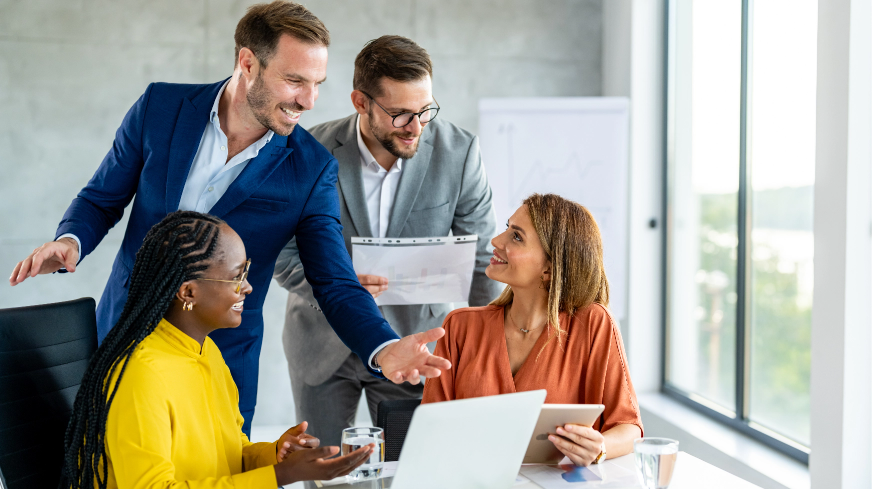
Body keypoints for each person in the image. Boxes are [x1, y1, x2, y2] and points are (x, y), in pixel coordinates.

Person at [7, 1, 449, 435]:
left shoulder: (311, 168)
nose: (309, 101)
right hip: (126, 334)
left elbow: (332, 280)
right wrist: (70, 241)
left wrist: (383, 347)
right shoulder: (160, 107)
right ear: (248, 62)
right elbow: (102, 198)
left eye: (317, 83)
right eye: (295, 81)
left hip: (223, 358)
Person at [273, 35, 501, 446]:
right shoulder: (307, 150)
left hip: (415, 345)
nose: (417, 128)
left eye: (425, 110)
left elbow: (484, 259)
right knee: (325, 474)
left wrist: (491, 354)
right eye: (400, 115)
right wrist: (337, 284)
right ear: (361, 102)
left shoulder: (460, 153)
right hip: (322, 342)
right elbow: (281, 250)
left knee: (410, 473)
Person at [60, 211, 375, 489]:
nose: (248, 287)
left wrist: (275, 454)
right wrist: (277, 477)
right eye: (237, 277)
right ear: (189, 292)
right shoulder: (142, 373)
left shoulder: (205, 350)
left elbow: (228, 454)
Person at [421, 194, 644, 466]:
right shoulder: (459, 327)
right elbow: (431, 431)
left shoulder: (593, 324)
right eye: (507, 228)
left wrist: (600, 447)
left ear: (549, 268)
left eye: (516, 237)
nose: (496, 241)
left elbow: (629, 427)